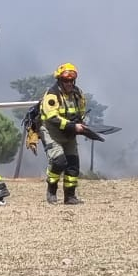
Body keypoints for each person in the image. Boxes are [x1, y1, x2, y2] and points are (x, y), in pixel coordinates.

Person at [37, 62, 94, 204]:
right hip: (52, 132)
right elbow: (52, 118)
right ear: (59, 80)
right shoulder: (52, 95)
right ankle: (51, 191)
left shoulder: (77, 94)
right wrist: (74, 127)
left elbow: (81, 112)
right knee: (59, 161)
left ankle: (70, 196)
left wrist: (82, 125)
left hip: (69, 133)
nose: (69, 83)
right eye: (65, 80)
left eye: (71, 81)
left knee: (73, 164)